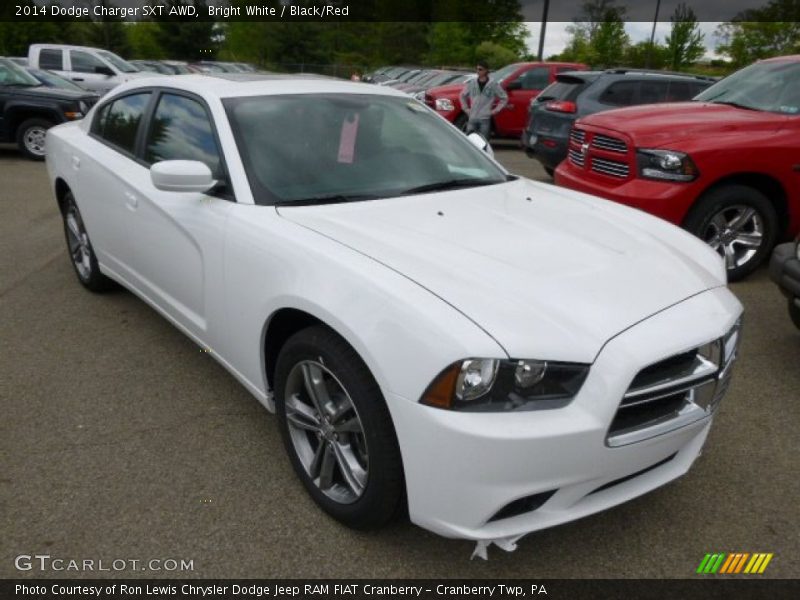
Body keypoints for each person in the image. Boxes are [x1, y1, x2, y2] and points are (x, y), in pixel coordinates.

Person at [458, 61, 508, 140]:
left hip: (485, 119)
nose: (478, 71)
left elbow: (504, 98)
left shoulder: (493, 84)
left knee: (484, 141)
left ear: (486, 71)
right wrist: (466, 109)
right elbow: (462, 95)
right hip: (472, 117)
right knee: (470, 140)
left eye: (480, 69)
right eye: (477, 69)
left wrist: (495, 110)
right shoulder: (472, 83)